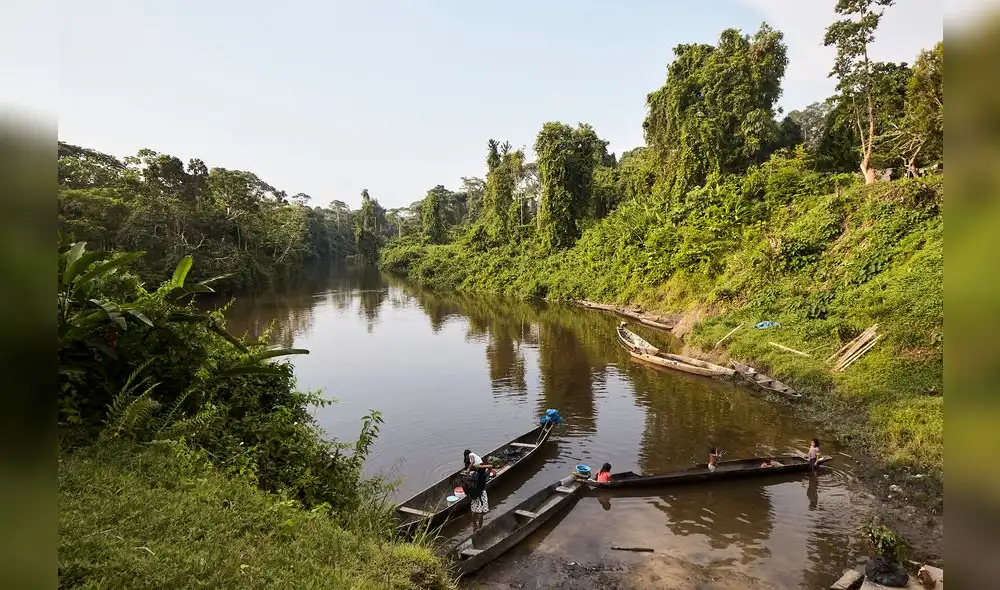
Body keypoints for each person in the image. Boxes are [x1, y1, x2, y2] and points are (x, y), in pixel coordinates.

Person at [466, 466, 490, 531]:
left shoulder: (473, 475)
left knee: (473, 510)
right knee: (480, 512)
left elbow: (467, 474)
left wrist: (471, 465)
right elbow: (490, 468)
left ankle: (474, 525)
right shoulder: (484, 475)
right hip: (481, 494)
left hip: (474, 494)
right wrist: (487, 465)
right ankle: (480, 527)